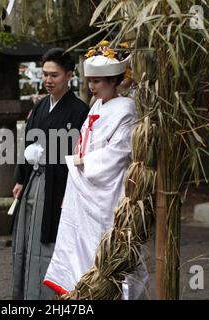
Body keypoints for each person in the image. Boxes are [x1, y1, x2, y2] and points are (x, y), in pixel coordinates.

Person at [43, 44, 149, 299]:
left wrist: (87, 162)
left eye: (98, 81)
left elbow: (120, 150)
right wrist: (82, 161)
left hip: (106, 186)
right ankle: (83, 290)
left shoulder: (126, 108)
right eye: (90, 81)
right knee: (78, 239)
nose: (92, 87)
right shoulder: (96, 106)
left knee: (105, 241)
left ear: (115, 80)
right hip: (84, 183)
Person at [12, 48, 89, 300]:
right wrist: (20, 178)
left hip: (59, 185)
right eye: (45, 74)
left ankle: (48, 296)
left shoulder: (79, 110)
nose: (48, 80)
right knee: (27, 239)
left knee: (50, 241)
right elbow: (27, 143)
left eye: (54, 75)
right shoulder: (40, 106)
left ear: (69, 75)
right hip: (34, 180)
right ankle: (25, 296)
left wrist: (49, 155)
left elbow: (79, 153)